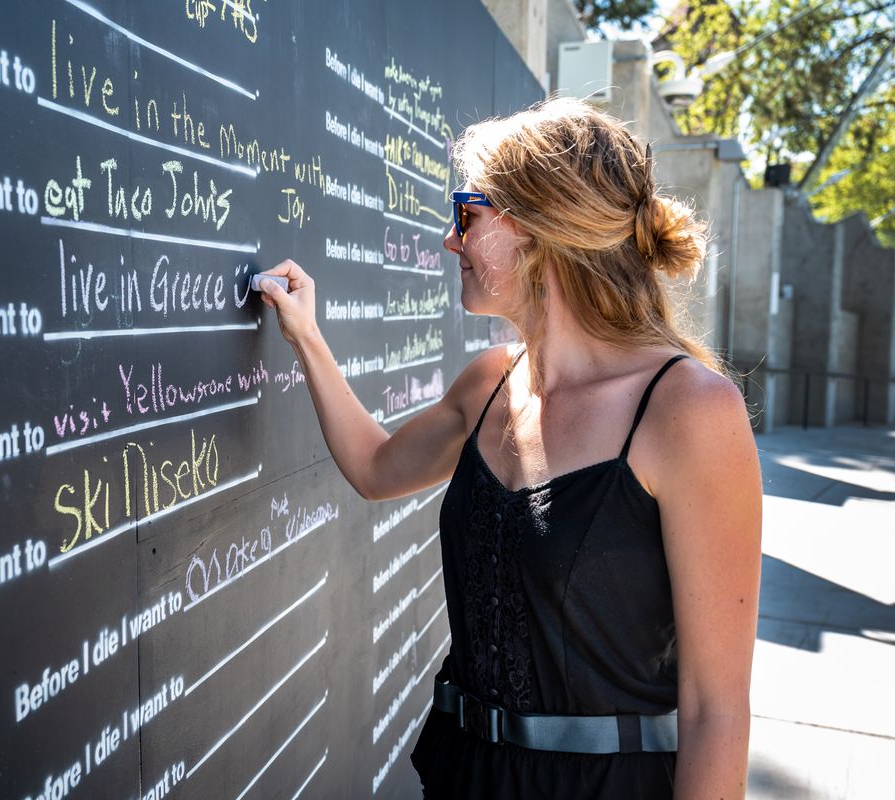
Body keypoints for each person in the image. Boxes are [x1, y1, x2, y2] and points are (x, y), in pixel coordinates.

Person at [257, 96, 761, 799]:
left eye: (467, 214)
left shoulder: (689, 412)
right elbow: (376, 469)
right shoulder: (490, 384)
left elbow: (717, 712)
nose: (450, 240)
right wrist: (307, 338)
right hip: (462, 774)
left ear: (538, 228)